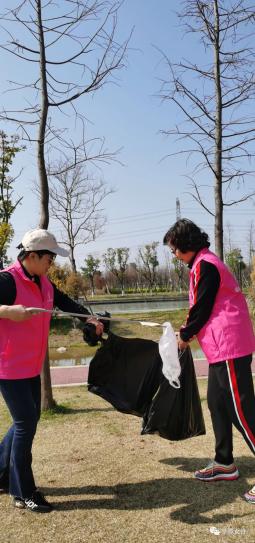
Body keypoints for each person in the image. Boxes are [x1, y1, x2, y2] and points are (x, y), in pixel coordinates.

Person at [0, 229, 103, 513]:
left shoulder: (43, 283)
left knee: (26, 421)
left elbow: (68, 304)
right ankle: (23, 492)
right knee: (25, 425)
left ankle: (1, 472)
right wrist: (7, 311)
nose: (52, 264)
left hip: (31, 367)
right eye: (49, 258)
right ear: (32, 256)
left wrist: (90, 319)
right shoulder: (8, 280)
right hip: (8, 368)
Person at [163, 218, 255, 504]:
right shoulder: (200, 264)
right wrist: (186, 329)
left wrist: (185, 334)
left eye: (175, 249)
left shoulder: (207, 265)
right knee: (217, 404)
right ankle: (225, 462)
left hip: (230, 346)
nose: (174, 255)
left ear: (187, 244)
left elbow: (202, 306)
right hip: (220, 348)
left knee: (242, 411)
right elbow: (200, 307)